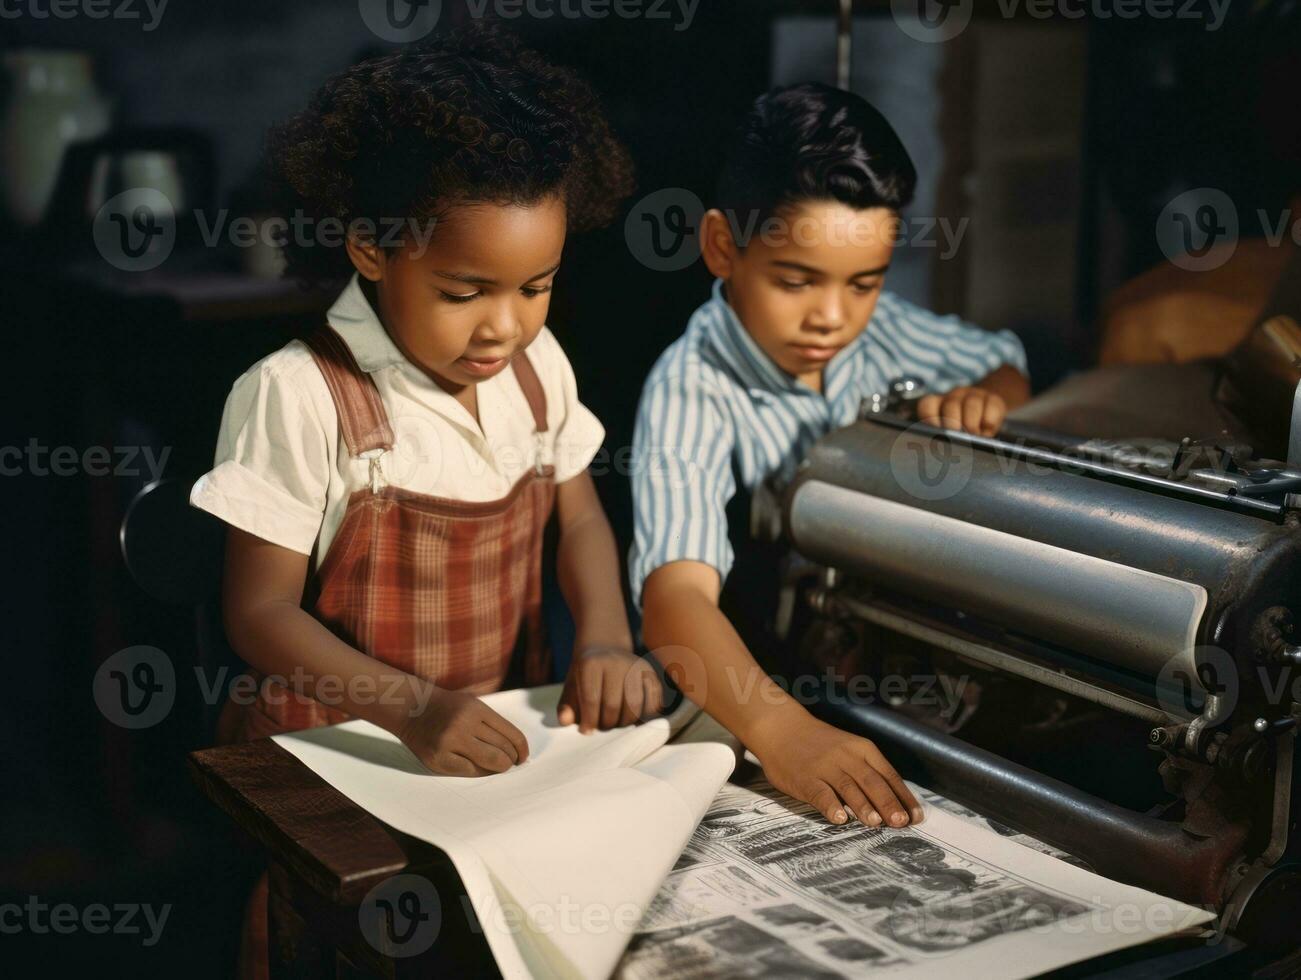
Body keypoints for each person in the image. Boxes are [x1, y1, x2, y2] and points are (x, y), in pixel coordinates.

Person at [190, 29, 656, 977]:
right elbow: (257, 613)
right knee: (324, 923)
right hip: (339, 740)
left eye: (537, 287)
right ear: (371, 248)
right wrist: (410, 709)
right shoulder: (299, 393)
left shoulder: (538, 372)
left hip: (487, 729)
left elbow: (580, 519)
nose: (505, 325)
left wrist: (606, 635)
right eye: (463, 291)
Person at [630, 83, 1031, 831]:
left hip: (879, 671)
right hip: (752, 687)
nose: (831, 316)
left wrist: (986, 397)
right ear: (722, 247)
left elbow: (1003, 359)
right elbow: (673, 601)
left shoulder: (880, 335)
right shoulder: (691, 389)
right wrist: (782, 731)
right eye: (795, 280)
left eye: (864, 283)